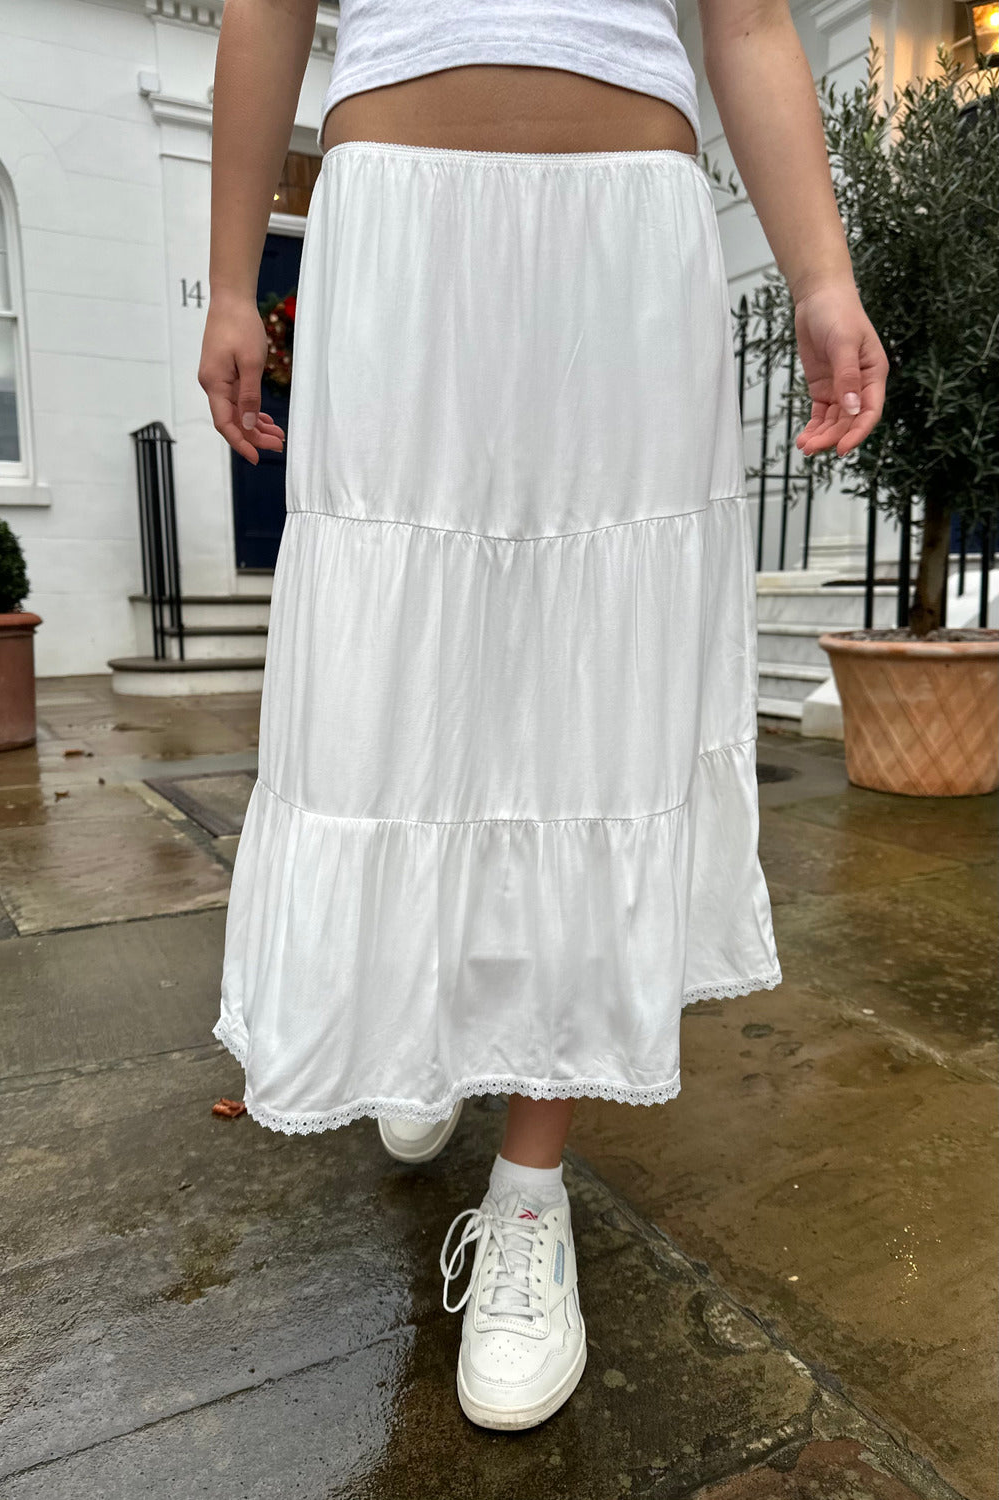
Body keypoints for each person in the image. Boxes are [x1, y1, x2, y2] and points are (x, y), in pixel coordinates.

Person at [199, 0, 888, 1433]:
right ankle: (428, 1019)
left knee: (589, 700)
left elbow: (749, 20)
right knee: (401, 671)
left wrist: (822, 275)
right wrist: (227, 282)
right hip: (398, 220)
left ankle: (527, 1192)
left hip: (624, 235)